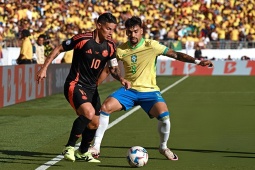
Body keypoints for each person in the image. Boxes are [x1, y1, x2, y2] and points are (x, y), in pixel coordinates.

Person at [89, 16, 213, 161]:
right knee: (105, 107)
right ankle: (96, 146)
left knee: (165, 117)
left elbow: (176, 54)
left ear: (141, 31)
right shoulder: (121, 49)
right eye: (129, 32)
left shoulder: (152, 45)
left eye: (135, 31)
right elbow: (111, 69)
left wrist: (198, 61)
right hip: (129, 90)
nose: (133, 35)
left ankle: (163, 147)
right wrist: (96, 84)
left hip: (150, 91)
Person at [36, 13, 131, 163]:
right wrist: (44, 68)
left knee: (94, 123)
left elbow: (113, 68)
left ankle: (83, 152)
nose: (111, 32)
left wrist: (121, 78)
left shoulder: (111, 45)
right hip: (75, 84)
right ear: (99, 26)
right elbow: (59, 48)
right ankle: (69, 147)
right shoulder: (82, 39)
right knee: (89, 113)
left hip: (92, 88)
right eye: (108, 29)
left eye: (113, 29)